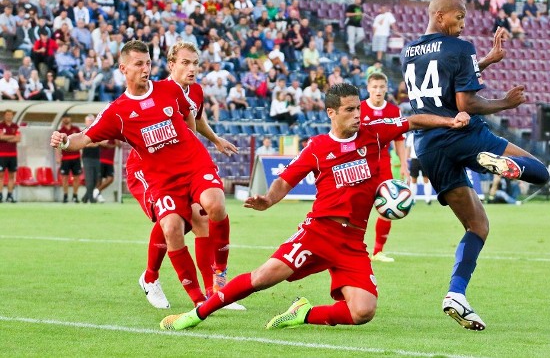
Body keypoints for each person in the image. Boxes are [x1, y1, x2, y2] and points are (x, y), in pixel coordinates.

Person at [159, 83, 470, 331]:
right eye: (349, 110)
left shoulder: (374, 134)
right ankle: (196, 314)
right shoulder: (318, 147)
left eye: (358, 108)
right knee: (262, 278)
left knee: (363, 312)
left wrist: (450, 120)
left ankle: (304, 314)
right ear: (331, 113)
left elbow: (413, 120)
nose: (357, 115)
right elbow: (285, 180)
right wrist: (268, 199)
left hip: (352, 242)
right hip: (318, 232)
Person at [401, 0, 550, 331]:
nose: (463, 24)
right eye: (459, 17)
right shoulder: (459, 47)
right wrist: (504, 103)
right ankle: (495, 163)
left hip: (428, 146)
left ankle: (456, 294)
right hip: (463, 135)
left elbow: (441, 82)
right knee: (540, 173)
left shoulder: (408, 52)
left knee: (477, 225)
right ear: (440, 16)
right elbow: (465, 101)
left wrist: (485, 60)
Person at [50, 41, 232, 310]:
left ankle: (218, 280)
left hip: (193, 166)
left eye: (148, 63)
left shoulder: (169, 89)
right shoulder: (118, 112)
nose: (145, 68)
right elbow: (85, 137)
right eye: (138, 64)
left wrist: (194, 144)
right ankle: (198, 302)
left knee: (214, 205)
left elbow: (188, 117)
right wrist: (65, 142)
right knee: (171, 227)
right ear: (123, 68)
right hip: (161, 177)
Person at [123, 42, 243, 310]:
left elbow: (195, 121)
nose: (192, 68)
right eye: (185, 63)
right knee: (172, 221)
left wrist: (214, 139)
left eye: (196, 63)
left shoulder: (195, 91)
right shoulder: (160, 92)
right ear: (171, 65)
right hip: (147, 169)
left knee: (201, 217)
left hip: (182, 165)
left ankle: (214, 292)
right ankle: (150, 278)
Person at [361, 72, 408, 263]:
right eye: (374, 87)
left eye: (381, 87)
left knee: (388, 206)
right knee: (357, 208)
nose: (378, 91)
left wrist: (404, 164)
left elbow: (399, 140)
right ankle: (353, 249)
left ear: (387, 88)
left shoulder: (394, 111)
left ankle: (378, 251)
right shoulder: (359, 108)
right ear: (368, 88)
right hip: (362, 164)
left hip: (383, 164)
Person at [56, 114, 82, 203]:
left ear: (70, 119)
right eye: (64, 118)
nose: (66, 119)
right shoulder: (60, 131)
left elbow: (80, 141)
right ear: (62, 119)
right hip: (65, 158)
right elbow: (58, 146)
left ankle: (75, 196)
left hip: (76, 157)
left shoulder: (76, 129)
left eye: (67, 117)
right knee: (64, 178)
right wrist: (58, 157)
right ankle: (65, 195)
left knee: (76, 177)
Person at [405, 130, 433, 205]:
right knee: (413, 180)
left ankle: (428, 199)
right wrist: (405, 160)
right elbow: (408, 148)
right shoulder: (411, 136)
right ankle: (413, 199)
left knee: (426, 179)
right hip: (414, 159)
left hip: (424, 158)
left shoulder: (426, 134)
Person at [0, 109, 20, 203]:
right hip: (2, 154)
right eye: (7, 115)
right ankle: (0, 195)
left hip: (13, 155)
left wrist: (6, 137)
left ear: (12, 116)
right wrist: (12, 136)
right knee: (1, 175)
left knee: (12, 176)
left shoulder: (15, 126)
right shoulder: (1, 125)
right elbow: (0, 137)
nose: (9, 116)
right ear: (4, 116)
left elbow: (18, 138)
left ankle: (10, 195)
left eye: (10, 115)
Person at [80, 114, 101, 204]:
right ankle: (91, 198)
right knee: (89, 179)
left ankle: (85, 198)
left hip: (96, 158)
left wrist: (94, 143)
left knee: (96, 179)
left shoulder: (97, 131)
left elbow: (103, 141)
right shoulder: (84, 132)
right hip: (87, 158)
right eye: (88, 121)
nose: (90, 122)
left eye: (92, 120)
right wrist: (95, 143)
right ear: (85, 122)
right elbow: (85, 144)